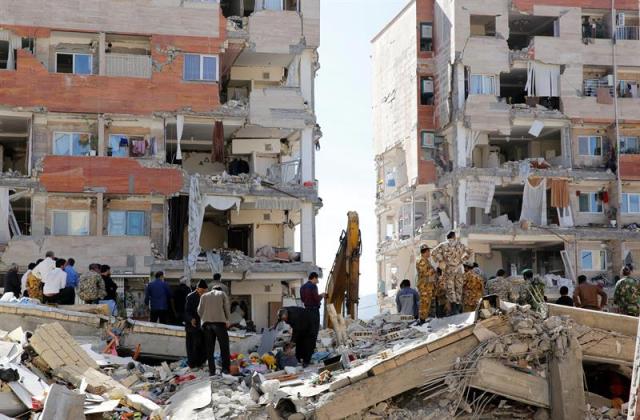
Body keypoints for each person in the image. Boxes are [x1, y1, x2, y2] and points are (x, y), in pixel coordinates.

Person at [431, 231, 473, 316]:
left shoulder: (443, 245)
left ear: (447, 237)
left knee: (450, 289)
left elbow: (433, 253)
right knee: (458, 288)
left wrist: (441, 260)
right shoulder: (460, 245)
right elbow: (470, 251)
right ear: (454, 237)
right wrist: (463, 260)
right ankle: (457, 309)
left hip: (448, 269)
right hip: (458, 269)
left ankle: (454, 310)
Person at [198, 282, 231, 376]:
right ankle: (225, 369)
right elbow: (226, 308)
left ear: (212, 289)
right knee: (224, 347)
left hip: (207, 324)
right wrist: (228, 320)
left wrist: (205, 317)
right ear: (220, 290)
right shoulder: (222, 294)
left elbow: (199, 311)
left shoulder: (204, 296)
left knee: (209, 348)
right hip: (219, 323)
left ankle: (212, 371)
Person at [300, 272, 324, 360]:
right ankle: (310, 353)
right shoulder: (313, 286)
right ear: (314, 278)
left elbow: (303, 299)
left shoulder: (302, 287)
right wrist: (321, 295)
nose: (317, 281)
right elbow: (316, 298)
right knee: (314, 331)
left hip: (306, 310)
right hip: (314, 310)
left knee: (308, 331)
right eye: (317, 279)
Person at [184, 280, 208, 369]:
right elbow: (187, 312)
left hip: (203, 325)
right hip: (192, 325)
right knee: (193, 345)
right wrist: (191, 319)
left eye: (204, 291)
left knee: (203, 345)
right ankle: (192, 364)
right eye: (201, 291)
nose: (203, 293)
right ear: (197, 289)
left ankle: (201, 363)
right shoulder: (190, 297)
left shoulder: (207, 297)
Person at [416, 244, 437, 322]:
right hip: (424, 287)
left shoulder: (426, 261)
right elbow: (425, 272)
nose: (429, 253)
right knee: (424, 304)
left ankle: (424, 320)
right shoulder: (421, 261)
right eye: (428, 251)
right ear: (424, 252)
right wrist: (433, 271)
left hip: (428, 287)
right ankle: (422, 321)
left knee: (427, 305)